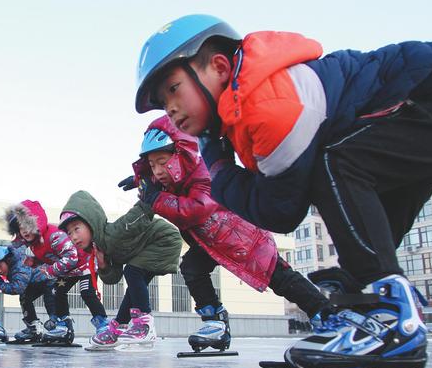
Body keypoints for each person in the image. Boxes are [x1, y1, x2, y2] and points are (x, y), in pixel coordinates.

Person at [134, 14, 432, 368]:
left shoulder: (268, 105)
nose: (169, 107)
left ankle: (393, 322)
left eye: (173, 88)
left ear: (219, 68)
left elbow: (280, 211)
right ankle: (373, 317)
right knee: (362, 196)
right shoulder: (246, 104)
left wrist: (216, 161)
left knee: (337, 165)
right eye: (161, 101)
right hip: (424, 101)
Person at [122, 115, 331, 352]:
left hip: (243, 238)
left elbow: (195, 210)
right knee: (192, 267)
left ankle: (326, 315)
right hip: (212, 241)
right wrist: (141, 178)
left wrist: (155, 198)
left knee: (280, 277)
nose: (158, 171)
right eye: (152, 165)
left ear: (183, 154)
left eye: (161, 162)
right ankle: (215, 324)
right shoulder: (175, 177)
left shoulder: (203, 173)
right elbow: (165, 186)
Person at [58, 190, 182, 350]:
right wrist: (103, 265)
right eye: (69, 233)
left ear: (91, 223)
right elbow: (113, 278)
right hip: (149, 248)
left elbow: (138, 215)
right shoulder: (100, 248)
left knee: (132, 272)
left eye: (76, 229)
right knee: (134, 285)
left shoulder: (114, 233)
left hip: (164, 239)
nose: (73, 237)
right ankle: (118, 328)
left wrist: (149, 194)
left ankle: (144, 325)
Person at [4, 200, 106, 344]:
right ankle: (63, 325)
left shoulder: (54, 236)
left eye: (28, 224)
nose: (25, 230)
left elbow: (72, 256)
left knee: (87, 292)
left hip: (84, 265)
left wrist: (50, 271)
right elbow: (51, 257)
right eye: (21, 227)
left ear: (36, 223)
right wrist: (35, 262)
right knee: (56, 291)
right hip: (68, 271)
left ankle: (103, 325)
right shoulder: (35, 245)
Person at [0, 245, 56, 343]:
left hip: (50, 279)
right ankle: (34, 329)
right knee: (24, 298)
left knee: (51, 301)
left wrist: (1, 284)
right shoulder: (13, 263)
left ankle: (58, 326)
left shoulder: (19, 266)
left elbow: (17, 288)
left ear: (7, 260)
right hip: (36, 281)